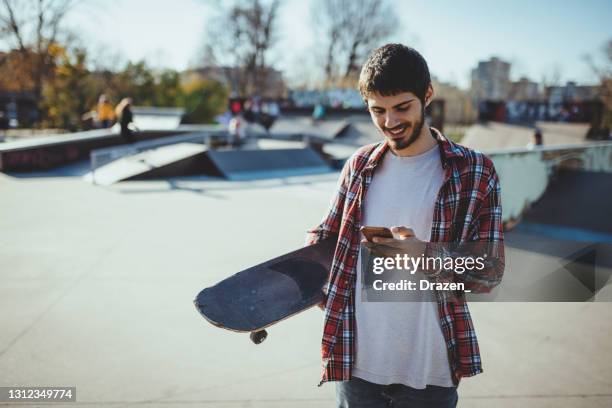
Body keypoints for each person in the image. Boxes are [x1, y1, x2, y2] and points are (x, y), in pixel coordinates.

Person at [306, 44, 504, 408]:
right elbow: (327, 238)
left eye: (402, 107)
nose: (390, 122)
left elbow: (490, 269)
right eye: (377, 111)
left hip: (429, 370)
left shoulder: (474, 172)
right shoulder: (359, 165)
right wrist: (295, 282)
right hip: (358, 363)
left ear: (427, 95)